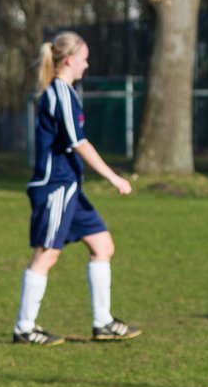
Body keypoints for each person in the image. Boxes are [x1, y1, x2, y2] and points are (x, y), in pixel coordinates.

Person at [13, 31, 140, 345]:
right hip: (55, 187)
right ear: (69, 59)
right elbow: (78, 142)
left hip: (71, 187)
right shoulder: (58, 93)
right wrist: (114, 177)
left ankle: (103, 322)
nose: (87, 64)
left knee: (103, 247)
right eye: (84, 58)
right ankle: (25, 327)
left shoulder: (67, 92)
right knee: (46, 255)